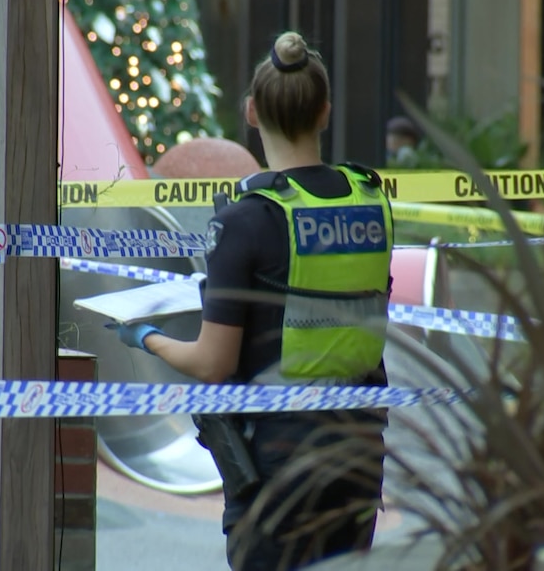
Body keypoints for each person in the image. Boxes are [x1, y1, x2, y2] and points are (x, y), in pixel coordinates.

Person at [110, 31, 393, 571]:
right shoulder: (369, 200)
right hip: (359, 451)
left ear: (251, 112)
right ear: (325, 112)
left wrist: (146, 336)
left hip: (277, 464)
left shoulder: (246, 219)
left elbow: (213, 363)